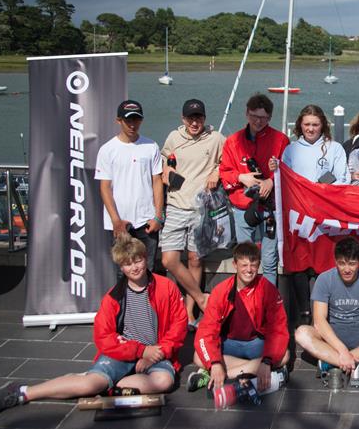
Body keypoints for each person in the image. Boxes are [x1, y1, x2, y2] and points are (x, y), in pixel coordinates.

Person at [0, 233, 187, 415]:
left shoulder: (166, 287)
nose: (134, 267)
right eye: (128, 264)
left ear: (145, 258)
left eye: (138, 260)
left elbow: (179, 325)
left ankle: (106, 386)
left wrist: (155, 354)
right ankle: (23, 392)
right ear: (121, 267)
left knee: (164, 381)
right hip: (124, 352)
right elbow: (104, 338)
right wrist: (141, 351)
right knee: (89, 385)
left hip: (158, 352)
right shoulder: (113, 297)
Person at [273, 105, 351, 326]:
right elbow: (285, 180)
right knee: (299, 263)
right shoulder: (290, 150)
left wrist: (321, 190)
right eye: (307, 124)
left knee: (323, 264)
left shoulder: (334, 148)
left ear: (322, 125)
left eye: (315, 124)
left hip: (325, 216)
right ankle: (304, 313)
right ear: (300, 125)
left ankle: (324, 313)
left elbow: (343, 178)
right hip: (300, 217)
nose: (311, 128)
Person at [189, 241, 290, 395]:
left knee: (284, 355)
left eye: (253, 265)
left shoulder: (268, 290)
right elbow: (206, 331)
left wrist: (267, 360)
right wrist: (215, 362)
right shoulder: (221, 290)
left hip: (256, 343)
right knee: (198, 355)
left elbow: (278, 330)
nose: (249, 270)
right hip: (229, 343)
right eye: (244, 265)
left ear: (259, 265)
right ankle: (251, 372)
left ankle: (217, 375)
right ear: (235, 265)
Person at [294, 237, 359, 383]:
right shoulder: (325, 279)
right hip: (332, 337)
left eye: (352, 264)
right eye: (342, 263)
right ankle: (358, 364)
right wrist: (342, 350)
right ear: (335, 260)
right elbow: (319, 321)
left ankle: (332, 362)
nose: (347, 269)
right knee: (301, 333)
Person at [160, 99, 225, 330]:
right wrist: (167, 168)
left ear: (205, 119)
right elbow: (164, 159)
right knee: (169, 260)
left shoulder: (216, 139)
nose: (194, 122)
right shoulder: (173, 138)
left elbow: (227, 162)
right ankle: (200, 297)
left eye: (198, 118)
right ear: (183, 119)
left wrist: (216, 172)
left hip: (202, 208)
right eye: (190, 118)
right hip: (176, 205)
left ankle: (189, 315)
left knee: (196, 259)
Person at [219, 93, 289, 285]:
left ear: (270, 118)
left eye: (263, 118)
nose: (258, 121)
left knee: (269, 260)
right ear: (246, 114)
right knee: (245, 260)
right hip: (243, 206)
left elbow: (289, 171)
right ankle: (245, 301)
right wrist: (242, 178)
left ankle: (268, 304)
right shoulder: (233, 141)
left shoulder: (280, 140)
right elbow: (224, 172)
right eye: (254, 116)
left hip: (270, 208)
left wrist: (271, 182)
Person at [96, 99, 164, 273]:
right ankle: (124, 302)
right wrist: (116, 221)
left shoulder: (151, 146)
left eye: (136, 119)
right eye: (128, 120)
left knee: (146, 271)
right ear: (119, 120)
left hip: (147, 222)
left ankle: (146, 302)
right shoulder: (107, 149)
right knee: (123, 272)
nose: (133, 124)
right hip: (121, 224)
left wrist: (157, 216)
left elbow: (157, 181)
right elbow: (105, 188)